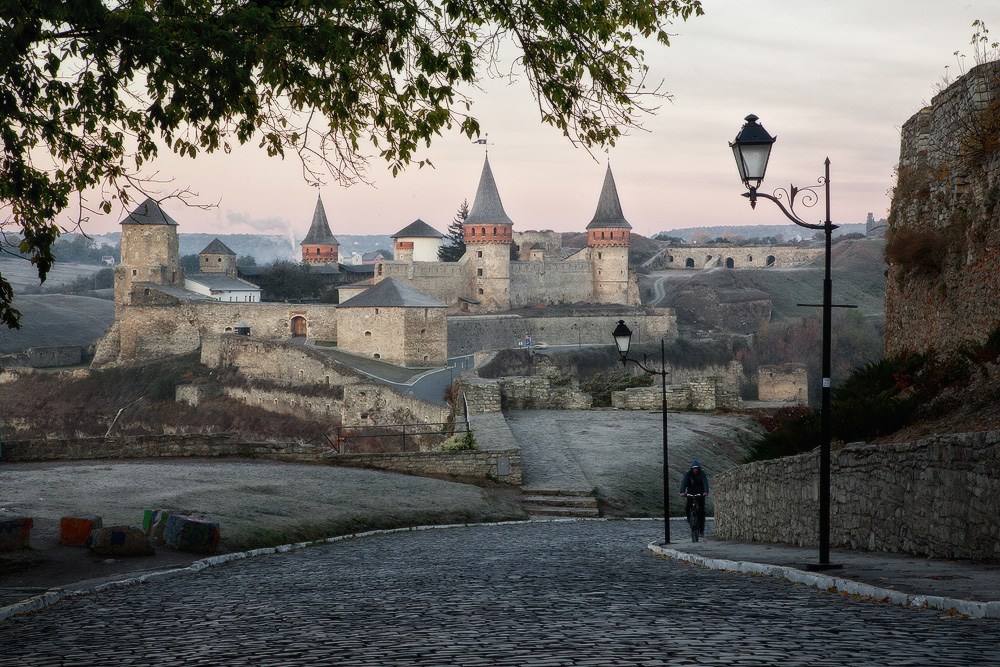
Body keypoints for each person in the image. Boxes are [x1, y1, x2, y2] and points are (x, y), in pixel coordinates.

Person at [679, 460, 709, 536]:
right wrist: (682, 492)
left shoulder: (702, 474)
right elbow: (684, 483)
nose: (696, 470)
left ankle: (701, 530)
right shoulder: (688, 474)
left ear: (699, 468)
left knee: (701, 511)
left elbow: (705, 482)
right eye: (694, 468)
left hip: (700, 493)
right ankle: (689, 519)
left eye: (697, 468)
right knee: (688, 506)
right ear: (692, 469)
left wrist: (705, 491)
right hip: (691, 492)